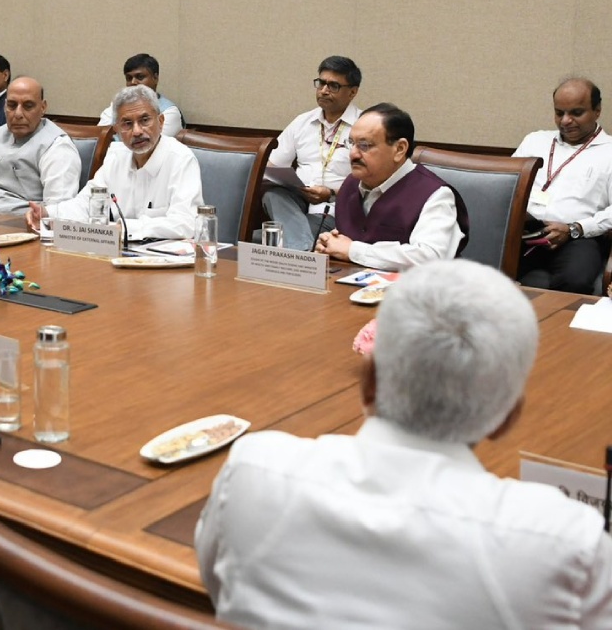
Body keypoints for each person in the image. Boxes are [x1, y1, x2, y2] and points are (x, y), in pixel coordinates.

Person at [195, 258, 612, 628]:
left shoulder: (252, 471)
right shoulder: (566, 543)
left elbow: (218, 589)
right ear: (507, 418)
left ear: (368, 381)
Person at [26, 85, 201, 240]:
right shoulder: (116, 157)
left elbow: (186, 223)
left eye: (145, 120)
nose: (137, 131)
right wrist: (48, 213)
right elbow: (86, 204)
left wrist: (126, 228)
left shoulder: (181, 159)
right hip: (118, 254)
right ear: (117, 129)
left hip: (164, 261)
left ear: (161, 122)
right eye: (127, 124)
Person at [315, 103, 469, 270]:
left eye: (364, 145)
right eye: (351, 143)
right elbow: (349, 239)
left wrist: (353, 250)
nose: (353, 154)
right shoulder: (351, 184)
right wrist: (330, 244)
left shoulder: (435, 194)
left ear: (399, 149)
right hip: (349, 281)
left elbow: (430, 257)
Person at [514, 78, 612, 293]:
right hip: (524, 231)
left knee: (576, 280)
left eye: (576, 113)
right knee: (484, 266)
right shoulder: (534, 141)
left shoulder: (609, 151)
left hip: (578, 237)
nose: (566, 121)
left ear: (597, 111)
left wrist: (574, 229)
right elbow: (507, 186)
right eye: (559, 113)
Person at [263, 56, 363, 250]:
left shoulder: (364, 126)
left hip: (337, 210)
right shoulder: (302, 122)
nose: (324, 90)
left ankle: (299, 251)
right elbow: (271, 166)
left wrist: (331, 194)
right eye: (321, 83)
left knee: (262, 238)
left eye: (333, 86)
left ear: (352, 92)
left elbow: (373, 185)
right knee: (273, 195)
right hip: (296, 205)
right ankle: (302, 251)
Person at [0, 76, 79, 212]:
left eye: (28, 106)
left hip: (21, 222)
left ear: (43, 108)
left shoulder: (57, 147)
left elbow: (56, 210)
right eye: (12, 105)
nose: (18, 114)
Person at [96, 54, 184, 137]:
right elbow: (100, 137)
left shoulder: (169, 111)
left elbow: (154, 143)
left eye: (140, 77)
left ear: (155, 78)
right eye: (129, 78)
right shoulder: (117, 106)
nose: (133, 82)